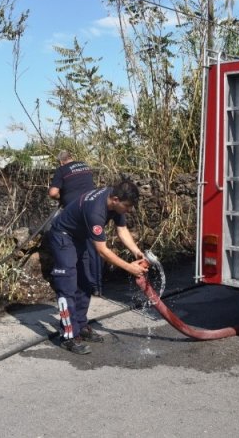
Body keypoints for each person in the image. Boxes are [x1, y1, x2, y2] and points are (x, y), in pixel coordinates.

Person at [46, 179, 149, 355]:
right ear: (115, 199)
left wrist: (136, 252)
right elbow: (102, 250)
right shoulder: (96, 210)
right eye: (127, 206)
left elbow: (122, 229)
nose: (129, 210)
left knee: (86, 281)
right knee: (67, 286)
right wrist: (129, 268)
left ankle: (80, 324)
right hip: (63, 236)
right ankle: (69, 336)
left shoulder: (115, 201)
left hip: (80, 236)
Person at [48, 150, 102, 296]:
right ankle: (96, 286)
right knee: (94, 246)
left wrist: (61, 197)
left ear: (61, 161)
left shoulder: (62, 170)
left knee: (74, 246)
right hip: (94, 207)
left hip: (75, 211)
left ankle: (77, 284)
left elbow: (53, 193)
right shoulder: (85, 166)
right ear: (72, 158)